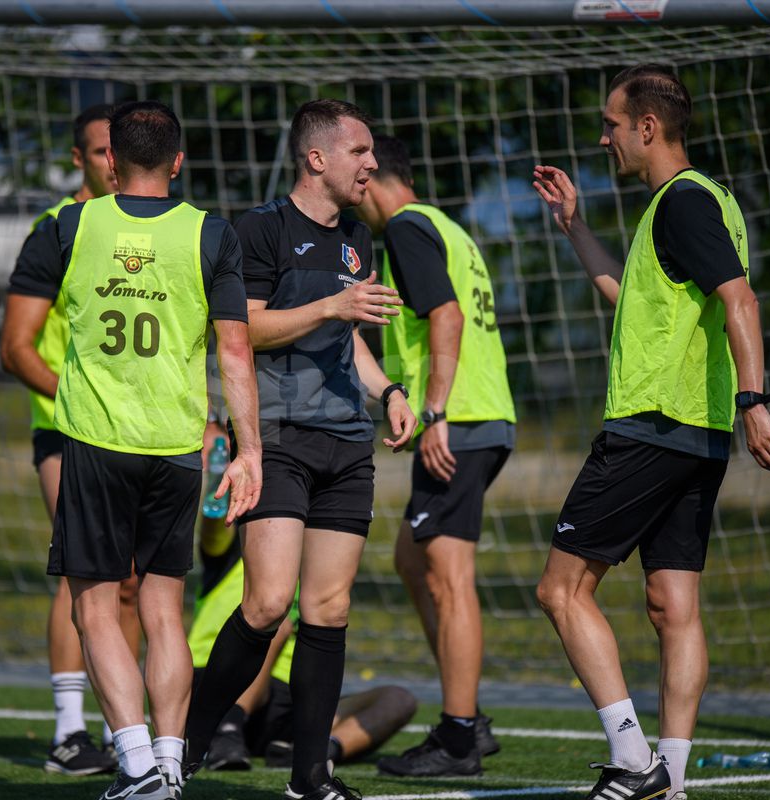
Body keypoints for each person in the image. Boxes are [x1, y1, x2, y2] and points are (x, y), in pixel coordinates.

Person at [532, 64, 770, 800]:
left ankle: (631, 758)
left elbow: (741, 301)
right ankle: (669, 783)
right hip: (695, 436)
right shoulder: (706, 202)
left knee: (560, 590)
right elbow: (632, 300)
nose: (604, 138)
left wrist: (755, 401)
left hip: (653, 426)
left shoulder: (682, 202)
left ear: (647, 128)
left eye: (611, 125)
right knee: (672, 606)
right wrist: (574, 225)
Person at [181, 99, 417, 800]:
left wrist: (389, 391)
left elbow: (350, 337)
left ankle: (310, 777)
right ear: (317, 158)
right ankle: (183, 742)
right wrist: (328, 307)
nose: (371, 163)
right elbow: (243, 329)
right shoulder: (257, 230)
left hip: (347, 443)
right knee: (265, 605)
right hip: (277, 437)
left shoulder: (357, 237)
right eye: (359, 152)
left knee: (329, 609)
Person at [31, 100, 262, 800]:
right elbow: (235, 351)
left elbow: (21, 328)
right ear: (178, 162)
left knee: (96, 610)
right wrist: (249, 450)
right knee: (165, 613)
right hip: (176, 447)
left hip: (96, 443)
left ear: (110, 160)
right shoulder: (211, 232)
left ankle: (135, 767)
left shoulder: (69, 225)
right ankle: (169, 765)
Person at [355, 134, 513, 777]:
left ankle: (459, 735)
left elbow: (445, 315)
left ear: (372, 178)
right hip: (482, 415)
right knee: (412, 561)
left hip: (459, 420)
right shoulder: (448, 227)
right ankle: (465, 713)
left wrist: (436, 411)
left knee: (449, 579)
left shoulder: (405, 228)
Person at [1, 104, 138, 775]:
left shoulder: (144, 231)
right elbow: (16, 347)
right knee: (84, 571)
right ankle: (66, 732)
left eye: (121, 149)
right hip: (67, 432)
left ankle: (123, 729)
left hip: (139, 437)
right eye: (102, 150)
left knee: (133, 582)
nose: (115, 161)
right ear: (79, 159)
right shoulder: (57, 229)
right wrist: (81, 403)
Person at [188, 514, 418, 773]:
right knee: (277, 624)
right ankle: (226, 728)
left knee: (399, 699)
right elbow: (213, 525)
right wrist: (219, 491)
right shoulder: (234, 554)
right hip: (217, 679)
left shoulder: (320, 577)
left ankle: (319, 751)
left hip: (283, 704)